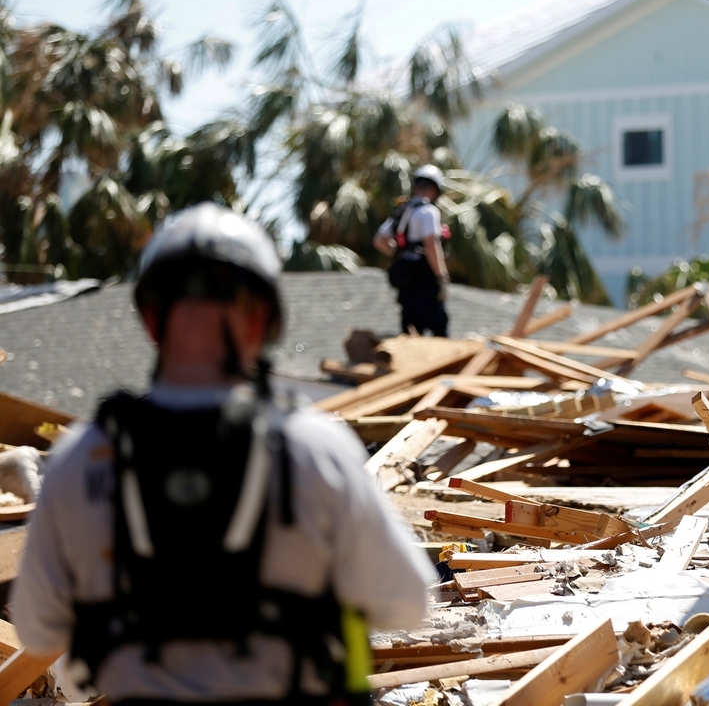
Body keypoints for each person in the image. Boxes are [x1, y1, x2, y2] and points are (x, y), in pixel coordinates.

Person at [12, 203, 437, 703]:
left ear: (151, 319)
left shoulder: (82, 458)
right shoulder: (315, 448)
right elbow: (408, 602)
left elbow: (38, 630)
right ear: (262, 322)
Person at [373, 165, 450, 337]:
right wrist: (441, 276)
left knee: (410, 331)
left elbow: (379, 241)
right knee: (440, 330)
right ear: (435, 190)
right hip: (425, 280)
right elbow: (431, 246)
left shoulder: (403, 210)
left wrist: (399, 254)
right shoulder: (429, 211)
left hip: (406, 279)